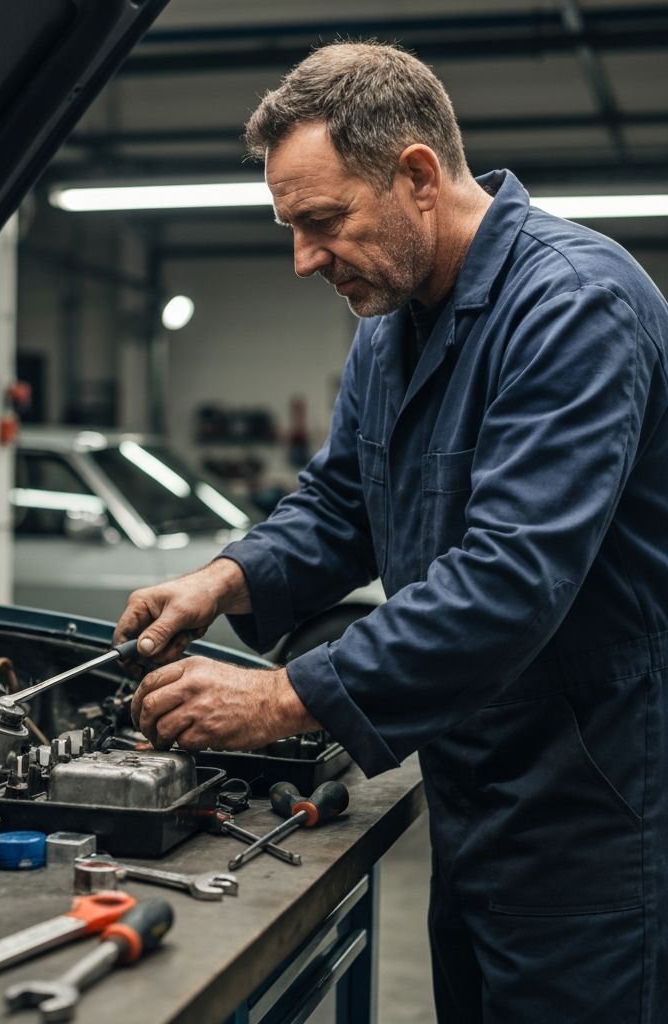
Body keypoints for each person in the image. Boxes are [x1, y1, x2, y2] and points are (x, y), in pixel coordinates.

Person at [114, 41, 668, 1024]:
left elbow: (508, 579)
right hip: (477, 784)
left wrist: (282, 696)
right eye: (289, 227)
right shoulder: (390, 323)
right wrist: (224, 576)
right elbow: (339, 505)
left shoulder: (573, 306)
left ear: (416, 175)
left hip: (595, 803)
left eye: (322, 222)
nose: (302, 259)